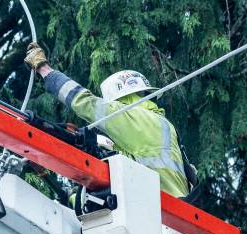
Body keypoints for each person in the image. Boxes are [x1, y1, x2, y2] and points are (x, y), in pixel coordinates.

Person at [24, 42, 190, 198]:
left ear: (119, 100)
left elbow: (86, 103)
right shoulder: (160, 126)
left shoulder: (135, 118)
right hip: (169, 212)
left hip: (161, 211)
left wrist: (45, 70)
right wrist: (72, 197)